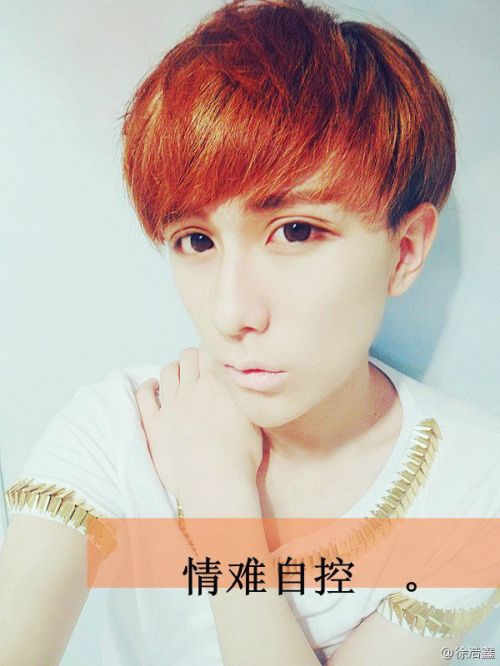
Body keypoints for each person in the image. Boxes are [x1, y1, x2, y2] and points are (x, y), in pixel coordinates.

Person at [1, 0, 499, 663]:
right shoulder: (120, 429)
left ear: (404, 251)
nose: (231, 312)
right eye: (196, 240)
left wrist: (220, 499)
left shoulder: (469, 477)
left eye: (295, 231)